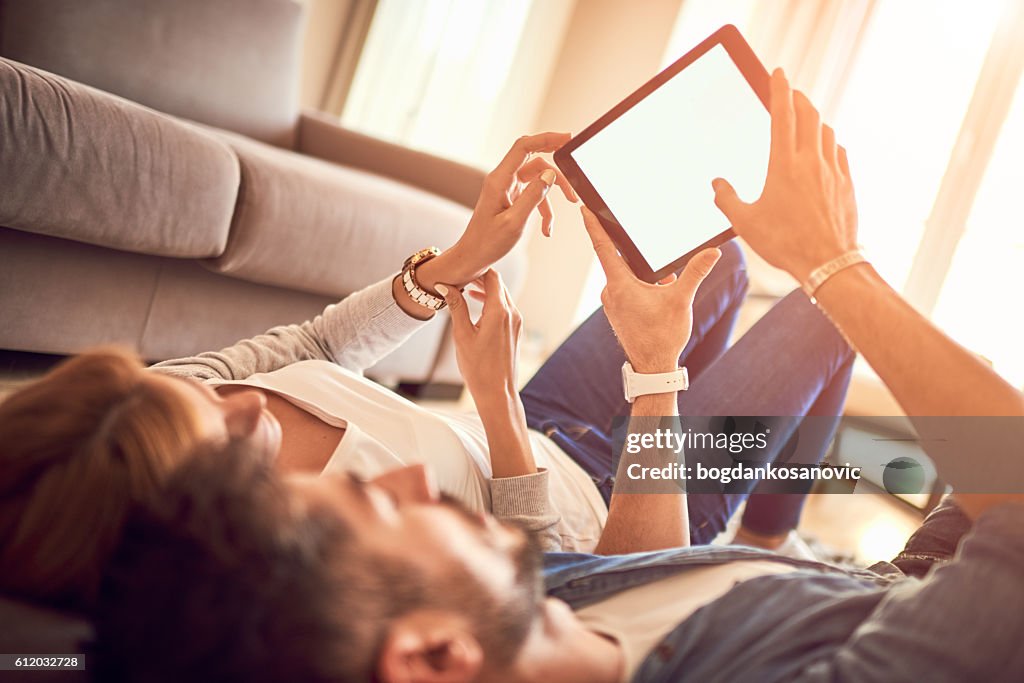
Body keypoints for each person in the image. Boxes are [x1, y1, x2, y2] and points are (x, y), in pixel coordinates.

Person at [96, 68, 1024, 683]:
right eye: (377, 507)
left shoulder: (566, 604)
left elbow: (635, 570)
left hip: (581, 446)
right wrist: (833, 261)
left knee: (720, 271)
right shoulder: (494, 588)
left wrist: (642, 362)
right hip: (695, 513)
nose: (407, 484)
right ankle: (774, 524)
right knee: (892, 356)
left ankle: (776, 530)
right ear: (430, 654)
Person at [1, 130, 851, 610]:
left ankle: (767, 513)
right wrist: (513, 407)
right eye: (229, 444)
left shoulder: (175, 399)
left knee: (719, 260)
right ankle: (764, 535)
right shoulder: (302, 560)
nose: (244, 407)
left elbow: (320, 347)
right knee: (828, 308)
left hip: (543, 414)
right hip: (621, 507)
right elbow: (562, 591)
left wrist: (456, 260)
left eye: (204, 395)